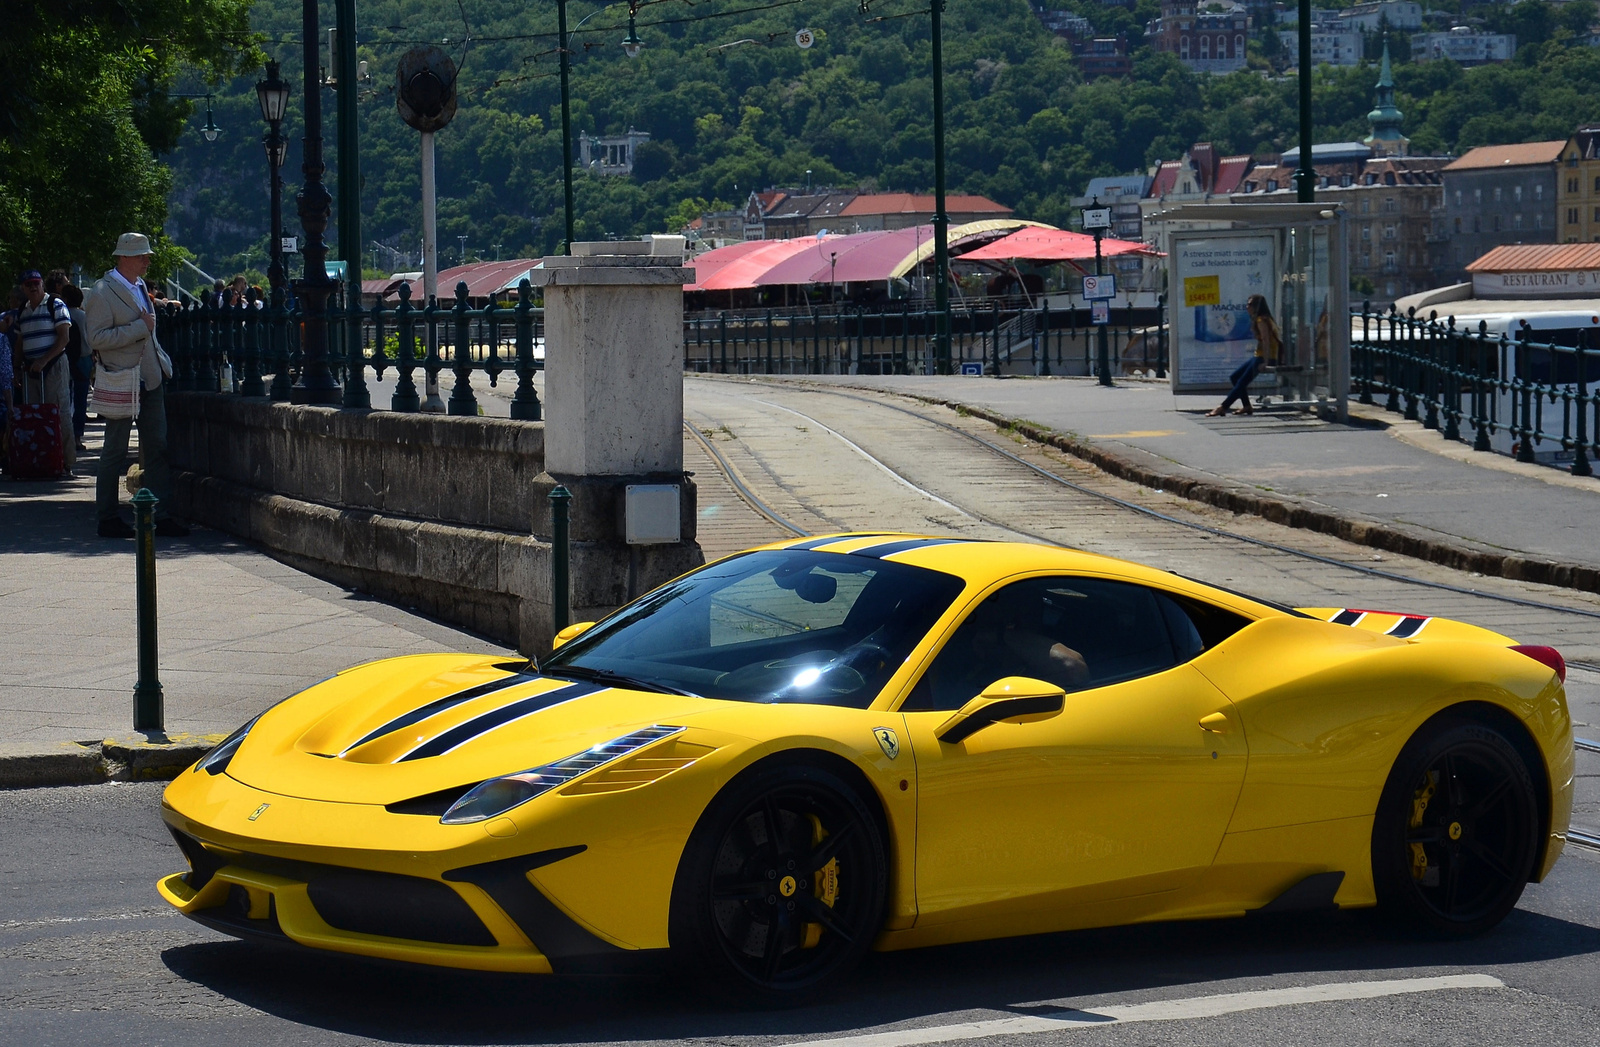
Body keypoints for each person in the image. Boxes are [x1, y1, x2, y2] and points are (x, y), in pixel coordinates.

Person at [85, 232, 188, 538]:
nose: (147, 260)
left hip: (150, 378)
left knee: (157, 446)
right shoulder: (102, 292)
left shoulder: (141, 286)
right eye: (143, 255)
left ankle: (161, 514)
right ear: (125, 257)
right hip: (122, 379)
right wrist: (138, 328)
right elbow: (97, 338)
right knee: (114, 450)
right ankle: (107, 517)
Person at [12, 268, 76, 471]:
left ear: (41, 284)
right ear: (23, 287)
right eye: (28, 284)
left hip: (54, 365)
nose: (33, 287)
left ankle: (66, 462)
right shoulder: (23, 310)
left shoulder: (55, 304)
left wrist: (44, 360)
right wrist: (16, 368)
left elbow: (64, 337)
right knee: (33, 415)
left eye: (36, 283)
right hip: (31, 369)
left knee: (58, 412)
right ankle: (39, 460)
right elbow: (20, 342)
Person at [1206, 294, 1280, 418]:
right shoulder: (1263, 318)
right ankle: (1246, 405)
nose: (1247, 307)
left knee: (1241, 381)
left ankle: (1223, 407)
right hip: (1260, 355)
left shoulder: (1261, 320)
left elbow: (1267, 340)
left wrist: (1265, 362)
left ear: (1257, 307)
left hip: (1265, 357)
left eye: (1250, 304)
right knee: (1235, 377)